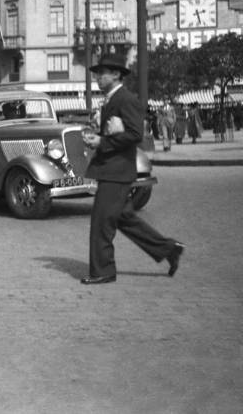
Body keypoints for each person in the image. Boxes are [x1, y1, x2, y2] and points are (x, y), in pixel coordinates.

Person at [79, 54, 185, 285]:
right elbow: (120, 132)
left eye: (102, 73)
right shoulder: (112, 99)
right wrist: (99, 136)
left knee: (101, 223)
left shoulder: (125, 99)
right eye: (97, 73)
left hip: (117, 171)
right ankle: (169, 249)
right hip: (113, 169)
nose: (97, 77)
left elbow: (135, 134)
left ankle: (103, 271)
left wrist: (102, 142)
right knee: (124, 218)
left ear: (116, 75)